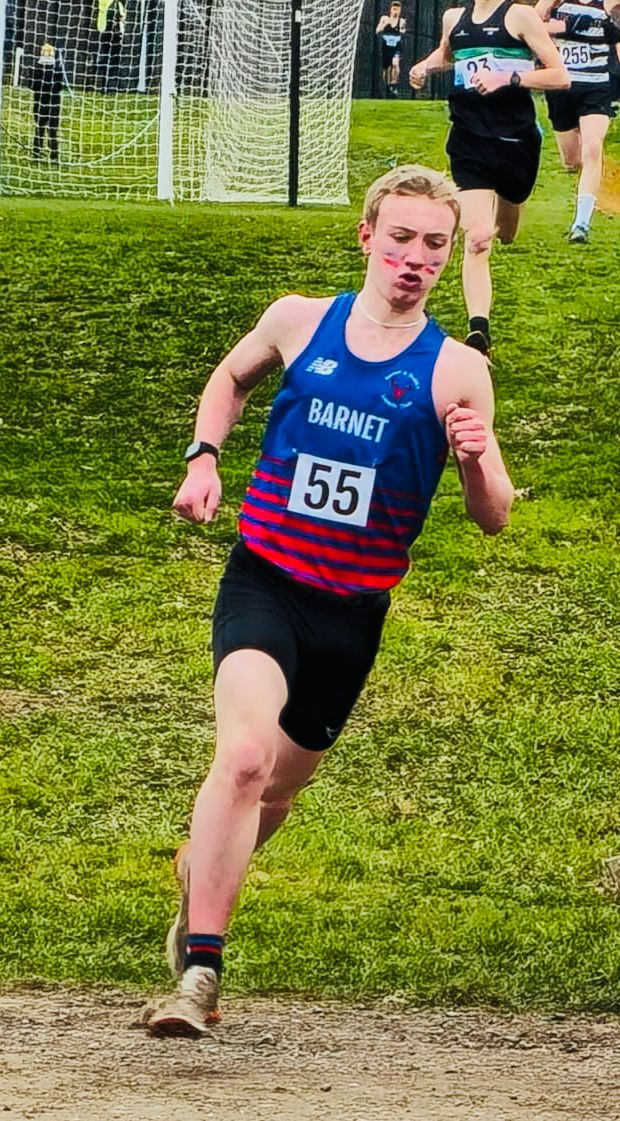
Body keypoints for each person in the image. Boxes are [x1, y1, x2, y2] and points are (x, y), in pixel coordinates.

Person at [143, 164, 515, 1038]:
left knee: (274, 791)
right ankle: (200, 973)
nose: (415, 258)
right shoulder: (299, 319)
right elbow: (230, 379)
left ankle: (201, 870)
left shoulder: (458, 370)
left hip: (352, 613)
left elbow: (494, 515)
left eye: (434, 244)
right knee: (243, 757)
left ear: (449, 254)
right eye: (401, 238)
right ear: (367, 236)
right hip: (266, 579)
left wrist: (474, 458)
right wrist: (204, 457)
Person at [409, 0, 569, 357]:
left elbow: (560, 75)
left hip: (516, 142)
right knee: (478, 238)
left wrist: (507, 78)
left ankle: (508, 211)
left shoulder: (520, 16)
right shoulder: (454, 18)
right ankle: (478, 331)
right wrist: (423, 67)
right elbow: (448, 54)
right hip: (468, 140)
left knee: (506, 232)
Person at [536, 0, 620, 243]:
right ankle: (591, 176)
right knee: (572, 161)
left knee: (592, 149)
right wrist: (566, 26)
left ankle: (581, 224)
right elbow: (530, 26)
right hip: (561, 86)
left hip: (596, 86)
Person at [31, 43, 63, 163]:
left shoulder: (38, 69)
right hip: (53, 105)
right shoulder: (57, 69)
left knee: (39, 128)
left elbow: (33, 86)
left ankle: (36, 151)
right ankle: (54, 155)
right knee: (53, 130)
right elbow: (59, 87)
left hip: (40, 103)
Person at [376, 2, 407, 97]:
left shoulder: (401, 21)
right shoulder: (385, 19)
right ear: (390, 10)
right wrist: (384, 25)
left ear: (400, 11)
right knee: (386, 69)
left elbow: (403, 31)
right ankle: (387, 86)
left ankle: (394, 84)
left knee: (395, 63)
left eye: (397, 10)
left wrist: (402, 30)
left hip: (396, 47)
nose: (395, 11)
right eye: (394, 9)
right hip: (386, 47)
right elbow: (377, 30)